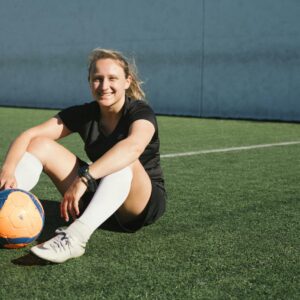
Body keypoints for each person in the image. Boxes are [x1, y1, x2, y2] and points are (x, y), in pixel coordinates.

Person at [0, 48, 166, 263]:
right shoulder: (85, 113)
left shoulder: (140, 112)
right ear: (89, 82)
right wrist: (8, 169)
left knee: (123, 161)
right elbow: (29, 135)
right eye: (97, 79)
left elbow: (132, 147)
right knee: (40, 143)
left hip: (137, 205)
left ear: (127, 81)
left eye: (112, 78)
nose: (104, 86)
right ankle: (5, 200)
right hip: (97, 197)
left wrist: (85, 178)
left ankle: (74, 239)